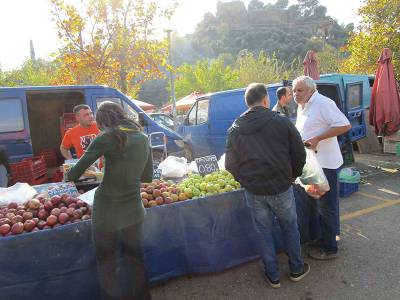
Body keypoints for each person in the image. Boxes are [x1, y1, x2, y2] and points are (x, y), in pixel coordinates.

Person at [225, 83, 309, 289]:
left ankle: (273, 274)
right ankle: (296, 268)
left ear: (248, 102)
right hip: (281, 187)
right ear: (265, 100)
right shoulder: (282, 122)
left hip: (254, 192)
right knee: (290, 227)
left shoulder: (235, 128)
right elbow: (300, 153)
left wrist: (245, 181)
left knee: (264, 232)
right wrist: (292, 176)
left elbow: (230, 165)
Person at [66, 101, 153, 300]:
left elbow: (75, 173)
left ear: (102, 121)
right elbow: (147, 177)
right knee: (136, 260)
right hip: (134, 210)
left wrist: (66, 174)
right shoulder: (142, 137)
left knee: (107, 263)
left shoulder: (105, 138)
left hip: (107, 211)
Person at [293, 75, 351, 260]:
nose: (295, 94)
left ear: (311, 90)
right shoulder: (303, 105)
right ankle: (323, 238)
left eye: (299, 90)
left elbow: (344, 125)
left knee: (327, 206)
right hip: (311, 164)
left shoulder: (323, 103)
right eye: (294, 90)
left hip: (325, 164)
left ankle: (330, 247)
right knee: (316, 204)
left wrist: (318, 138)